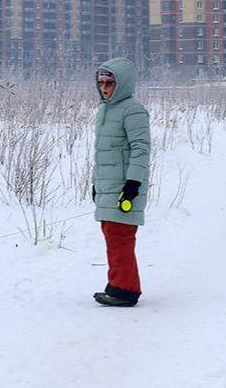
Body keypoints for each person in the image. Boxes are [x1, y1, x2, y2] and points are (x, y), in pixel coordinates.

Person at [91, 57, 150, 307]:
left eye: (110, 83)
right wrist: (96, 183)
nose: (104, 88)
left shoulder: (133, 110)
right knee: (112, 236)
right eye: (101, 82)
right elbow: (102, 154)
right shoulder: (105, 111)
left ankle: (125, 289)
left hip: (125, 186)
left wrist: (133, 184)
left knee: (120, 238)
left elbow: (141, 149)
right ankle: (118, 284)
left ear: (122, 84)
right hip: (108, 186)